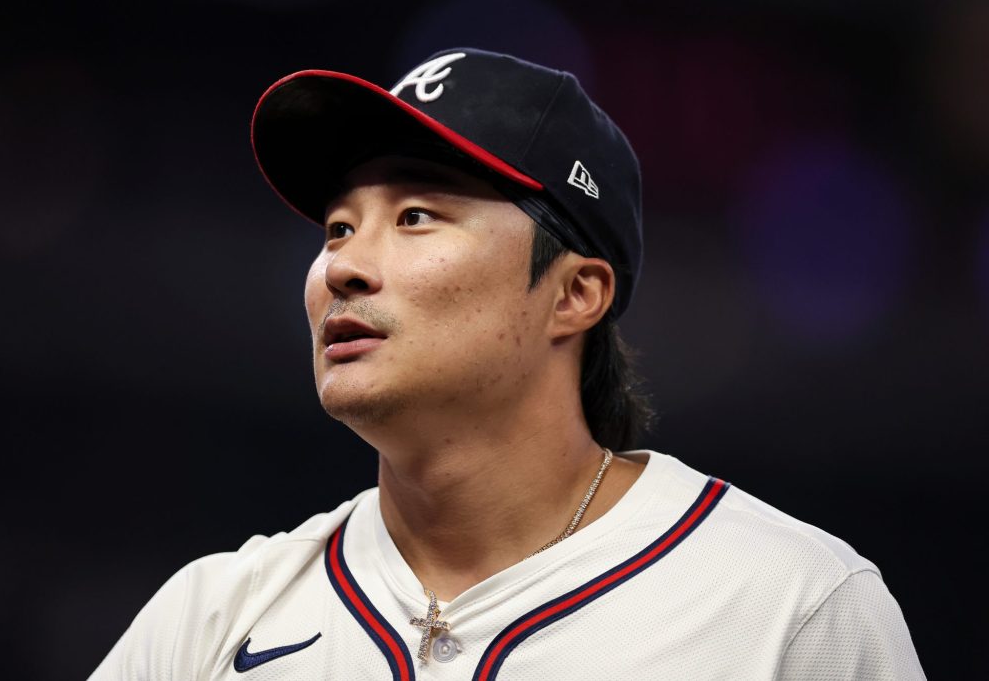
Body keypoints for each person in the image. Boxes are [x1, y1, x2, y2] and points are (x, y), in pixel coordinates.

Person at [92, 48, 925, 680]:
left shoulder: (791, 608)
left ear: (575, 294)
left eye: (416, 215)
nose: (342, 266)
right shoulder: (209, 619)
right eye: (338, 227)